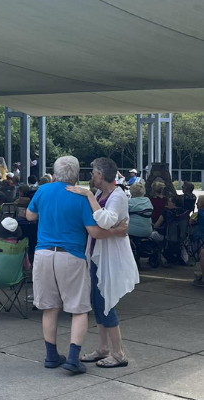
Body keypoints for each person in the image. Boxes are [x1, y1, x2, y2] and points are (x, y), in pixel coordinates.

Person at [26, 155, 129, 374]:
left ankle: (51, 355)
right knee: (79, 310)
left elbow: (29, 215)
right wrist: (117, 231)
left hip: (43, 254)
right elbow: (94, 232)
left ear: (55, 174)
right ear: (75, 176)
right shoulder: (80, 197)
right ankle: (73, 358)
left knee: (49, 308)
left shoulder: (43, 190)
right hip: (70, 256)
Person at [66, 157, 138, 369]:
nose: (91, 177)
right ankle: (103, 348)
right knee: (98, 303)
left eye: (94, 173)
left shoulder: (117, 196)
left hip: (111, 257)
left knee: (107, 302)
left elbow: (105, 220)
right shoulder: (101, 195)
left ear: (101, 175)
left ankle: (118, 353)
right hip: (98, 254)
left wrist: (88, 195)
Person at [191, 195, 204, 287]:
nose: (196, 203)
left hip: (198, 237)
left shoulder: (197, 214)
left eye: (198, 202)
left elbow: (190, 222)